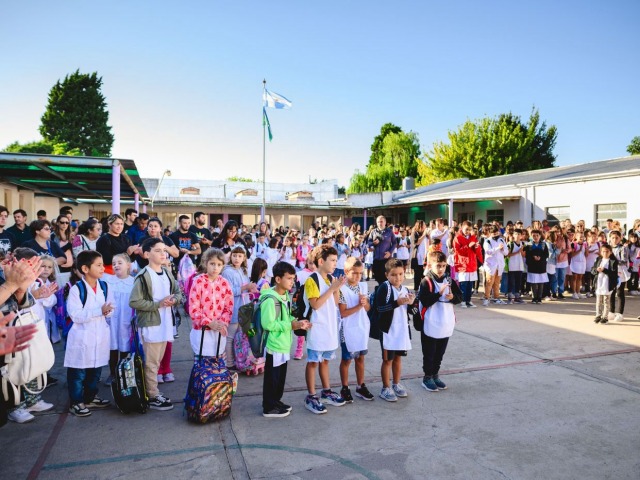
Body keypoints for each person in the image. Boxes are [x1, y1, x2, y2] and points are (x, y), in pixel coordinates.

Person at [129, 238, 183, 411]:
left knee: (157, 361)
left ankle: (151, 392)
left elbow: (178, 292)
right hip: (151, 324)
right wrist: (157, 305)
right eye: (158, 250)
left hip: (165, 322)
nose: (163, 253)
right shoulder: (143, 276)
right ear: (146, 254)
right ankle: (152, 395)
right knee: (151, 363)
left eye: (164, 250)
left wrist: (174, 300)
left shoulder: (167, 272)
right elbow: (134, 301)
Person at [5, 248, 57, 424]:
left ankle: (32, 400)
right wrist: (16, 287)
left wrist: (30, 293)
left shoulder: (35, 281)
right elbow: (8, 305)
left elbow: (28, 302)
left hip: (30, 326)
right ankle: (15, 407)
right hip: (10, 332)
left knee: (33, 363)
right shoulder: (7, 277)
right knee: (15, 368)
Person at [64, 250, 114, 417]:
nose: (102, 268)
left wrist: (107, 312)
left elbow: (111, 308)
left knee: (96, 370)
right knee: (78, 373)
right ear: (85, 269)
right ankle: (76, 402)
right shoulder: (77, 290)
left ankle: (90, 397)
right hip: (82, 336)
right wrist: (99, 311)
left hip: (99, 335)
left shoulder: (105, 286)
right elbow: (75, 315)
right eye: (98, 265)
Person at [261, 262, 311, 417]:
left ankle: (276, 401)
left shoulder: (285, 296)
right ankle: (269, 407)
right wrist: (291, 325)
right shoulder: (270, 299)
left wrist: (298, 323)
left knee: (280, 378)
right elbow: (268, 324)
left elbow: (286, 317)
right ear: (277, 279)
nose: (292, 282)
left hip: (283, 343)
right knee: (272, 378)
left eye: (293, 278)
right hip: (273, 345)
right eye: (289, 278)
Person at [303, 244, 346, 414]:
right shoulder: (312, 279)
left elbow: (334, 303)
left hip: (329, 327)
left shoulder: (330, 280)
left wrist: (336, 288)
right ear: (321, 261)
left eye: (336, 260)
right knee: (313, 361)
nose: (335, 263)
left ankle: (326, 391)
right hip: (317, 327)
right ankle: (311, 395)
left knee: (325, 361)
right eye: (332, 260)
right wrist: (332, 289)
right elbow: (316, 305)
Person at [418, 251, 462, 392]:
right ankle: (427, 377)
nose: (441, 269)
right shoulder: (426, 281)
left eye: (443, 266)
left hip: (445, 322)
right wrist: (438, 294)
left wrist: (452, 297)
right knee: (429, 352)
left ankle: (435, 375)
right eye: (438, 266)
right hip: (431, 322)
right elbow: (424, 301)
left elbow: (460, 297)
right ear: (431, 265)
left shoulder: (449, 280)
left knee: (440, 353)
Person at [375, 258, 414, 402]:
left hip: (402, 330)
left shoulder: (405, 289)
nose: (398, 278)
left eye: (400, 274)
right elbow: (380, 308)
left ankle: (396, 384)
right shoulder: (384, 288)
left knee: (398, 359)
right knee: (387, 360)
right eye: (394, 274)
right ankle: (385, 387)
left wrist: (411, 303)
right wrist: (397, 303)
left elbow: (411, 310)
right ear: (387, 275)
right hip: (388, 331)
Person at [338, 257, 373, 402]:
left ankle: (360, 386)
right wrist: (359, 306)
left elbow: (368, 308)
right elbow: (343, 312)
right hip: (347, 329)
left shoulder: (363, 286)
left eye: (360, 273)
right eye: (355, 273)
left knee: (360, 358)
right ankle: (344, 387)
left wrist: (364, 304)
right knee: (347, 359)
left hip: (361, 327)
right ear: (346, 272)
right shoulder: (341, 289)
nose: (358, 276)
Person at [188, 248, 233, 361]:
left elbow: (229, 307)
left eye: (219, 264)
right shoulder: (198, 282)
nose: (215, 267)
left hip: (218, 329)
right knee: (202, 362)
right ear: (205, 263)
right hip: (202, 331)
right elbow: (194, 308)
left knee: (217, 361)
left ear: (223, 266)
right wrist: (208, 323)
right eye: (212, 264)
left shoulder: (225, 283)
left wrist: (221, 323)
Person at [221, 245, 257, 370]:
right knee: (230, 336)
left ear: (244, 258)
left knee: (242, 336)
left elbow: (246, 287)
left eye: (240, 256)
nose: (236, 258)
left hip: (244, 309)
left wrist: (252, 288)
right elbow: (228, 291)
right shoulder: (227, 271)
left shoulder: (243, 270)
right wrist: (245, 288)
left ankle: (241, 360)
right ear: (230, 256)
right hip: (234, 309)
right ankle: (229, 363)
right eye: (234, 255)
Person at [103, 253, 135, 386]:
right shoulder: (108, 280)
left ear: (128, 265)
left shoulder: (134, 282)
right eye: (114, 263)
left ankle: (123, 371)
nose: (116, 265)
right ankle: (112, 373)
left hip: (126, 318)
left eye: (119, 262)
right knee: (113, 346)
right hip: (112, 320)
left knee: (125, 345)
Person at [453, 221, 483, 308]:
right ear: (461, 228)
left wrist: (477, 247)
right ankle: (462, 301)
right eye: (466, 229)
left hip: (472, 263)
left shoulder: (473, 237)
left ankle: (468, 300)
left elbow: (477, 251)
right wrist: (468, 246)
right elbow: (458, 251)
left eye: (470, 229)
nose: (468, 231)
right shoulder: (457, 238)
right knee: (464, 284)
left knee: (470, 284)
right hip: (463, 264)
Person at [592, 244, 618, 324]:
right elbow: (592, 270)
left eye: (607, 251)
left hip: (607, 283)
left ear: (610, 252)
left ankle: (605, 317)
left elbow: (614, 273)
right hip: (599, 282)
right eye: (603, 251)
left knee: (606, 301)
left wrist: (604, 270)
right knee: (598, 300)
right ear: (600, 252)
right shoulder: (598, 259)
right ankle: (598, 315)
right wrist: (597, 270)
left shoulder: (613, 261)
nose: (605, 253)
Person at [482, 225, 507, 306]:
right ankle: (486, 298)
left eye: (497, 233)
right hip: (490, 265)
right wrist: (497, 248)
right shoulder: (487, 241)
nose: (496, 235)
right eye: (494, 234)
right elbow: (488, 251)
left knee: (497, 283)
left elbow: (506, 252)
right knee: (489, 282)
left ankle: (496, 298)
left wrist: (503, 249)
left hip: (499, 265)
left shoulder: (501, 240)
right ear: (490, 233)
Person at [368, 216, 397, 285]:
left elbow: (394, 243)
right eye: (378, 222)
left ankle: (385, 291)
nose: (380, 223)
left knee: (385, 277)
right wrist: (373, 243)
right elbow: (369, 242)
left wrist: (390, 252)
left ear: (385, 222)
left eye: (381, 221)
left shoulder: (389, 232)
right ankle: (381, 289)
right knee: (377, 277)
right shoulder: (373, 232)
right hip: (376, 258)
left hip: (386, 259)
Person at [608, 230, 629, 322]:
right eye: (613, 238)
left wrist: (614, 261)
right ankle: (611, 312)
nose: (615, 240)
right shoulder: (607, 248)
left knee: (620, 293)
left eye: (617, 238)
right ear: (610, 238)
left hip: (620, 272)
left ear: (620, 238)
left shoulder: (622, 248)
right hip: (610, 272)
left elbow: (624, 260)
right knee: (611, 293)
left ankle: (620, 313)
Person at [524, 230, 549, 304]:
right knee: (533, 283)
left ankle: (539, 298)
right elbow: (527, 255)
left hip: (541, 266)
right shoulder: (529, 245)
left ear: (540, 236)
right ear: (531, 236)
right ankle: (534, 298)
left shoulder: (544, 245)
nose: (535, 237)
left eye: (537, 235)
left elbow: (546, 254)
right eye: (534, 236)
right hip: (532, 266)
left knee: (541, 283)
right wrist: (533, 257)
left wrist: (540, 257)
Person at [506, 229, 526, 304]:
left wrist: (522, 252)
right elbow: (507, 254)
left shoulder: (523, 244)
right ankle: (510, 297)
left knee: (518, 282)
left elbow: (524, 255)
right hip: (512, 265)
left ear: (521, 236)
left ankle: (517, 296)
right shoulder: (510, 244)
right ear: (513, 235)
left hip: (520, 265)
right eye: (516, 234)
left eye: (519, 234)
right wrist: (517, 252)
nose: (517, 235)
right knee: (511, 282)